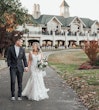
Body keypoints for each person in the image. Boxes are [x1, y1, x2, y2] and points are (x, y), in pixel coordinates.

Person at [7, 36, 28, 101]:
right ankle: (13, 95)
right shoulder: (10, 49)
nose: (22, 43)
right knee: (13, 81)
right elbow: (8, 58)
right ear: (17, 42)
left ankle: (19, 95)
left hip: (20, 68)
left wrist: (26, 66)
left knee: (20, 82)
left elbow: (24, 59)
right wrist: (9, 65)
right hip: (13, 68)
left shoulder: (22, 49)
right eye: (21, 42)